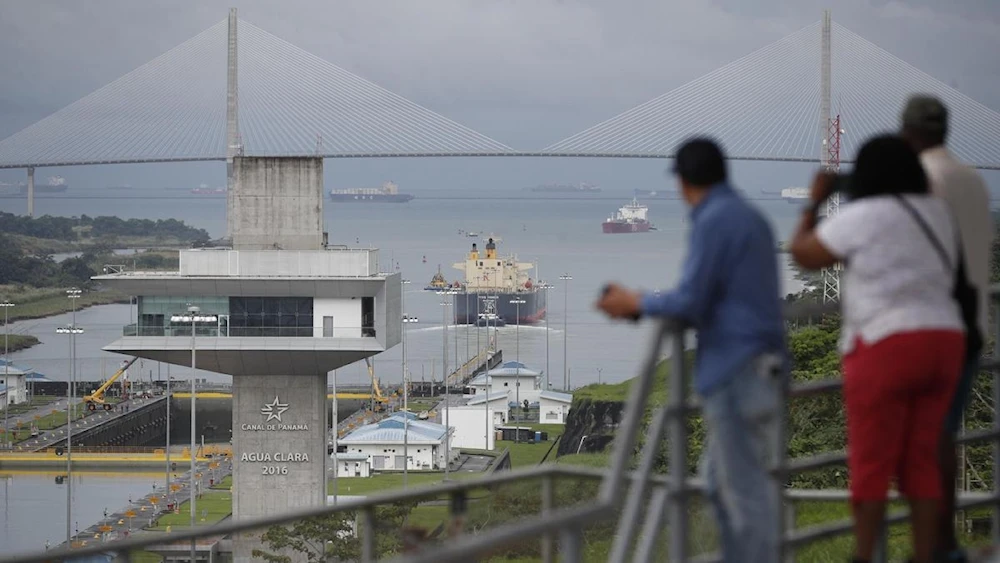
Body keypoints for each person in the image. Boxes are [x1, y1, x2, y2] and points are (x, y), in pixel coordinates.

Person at [597, 138, 786, 562]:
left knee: (743, 495)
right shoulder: (750, 217)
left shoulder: (714, 220)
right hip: (763, 363)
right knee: (724, 485)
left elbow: (692, 299)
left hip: (738, 369)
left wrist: (637, 302)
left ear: (684, 182)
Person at [790, 135, 965, 563]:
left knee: (871, 461)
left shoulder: (863, 214)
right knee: (922, 458)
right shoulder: (938, 213)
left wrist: (814, 202)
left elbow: (804, 254)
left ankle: (865, 556)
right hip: (945, 342)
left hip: (887, 345)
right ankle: (926, 555)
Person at [900, 95, 994, 563]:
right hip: (974, 325)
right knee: (944, 437)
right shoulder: (974, 180)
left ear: (909, 134)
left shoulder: (924, 182)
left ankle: (933, 549)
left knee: (927, 442)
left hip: (937, 329)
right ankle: (943, 546)